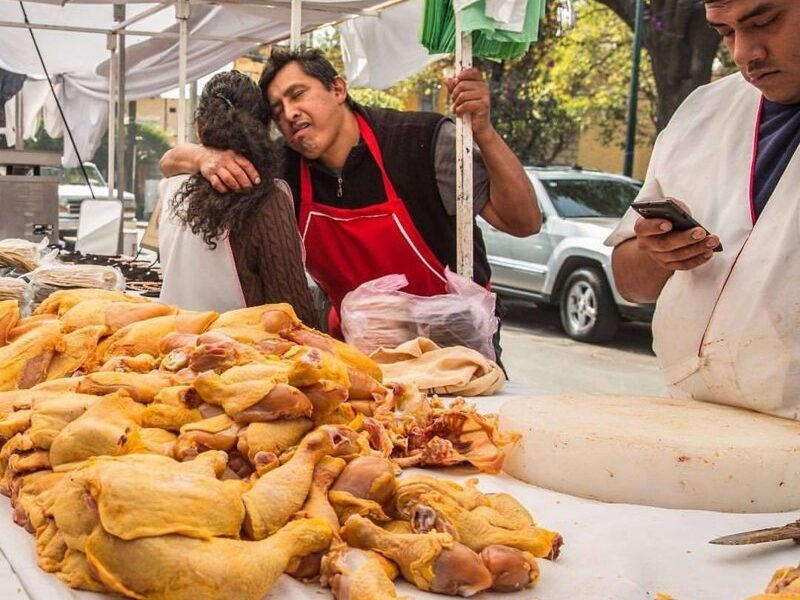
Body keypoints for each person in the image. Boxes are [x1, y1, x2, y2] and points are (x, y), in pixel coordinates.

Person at [160, 47, 540, 353]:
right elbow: (169, 163)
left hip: (453, 344)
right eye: (277, 110)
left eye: (298, 94)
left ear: (338, 89)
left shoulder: (422, 142)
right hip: (358, 347)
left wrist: (483, 130)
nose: (290, 113)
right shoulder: (282, 169)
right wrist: (202, 157)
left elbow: (523, 223)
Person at [607, 0, 800, 419]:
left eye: (765, 21)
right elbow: (630, 283)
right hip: (691, 415)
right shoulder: (702, 112)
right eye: (725, 32)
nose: (744, 53)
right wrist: (657, 253)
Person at [158, 70, 318, 326]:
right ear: (264, 128)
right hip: (237, 347)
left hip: (172, 341)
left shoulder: (171, 186)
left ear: (200, 129)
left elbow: (167, 162)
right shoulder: (266, 200)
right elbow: (293, 315)